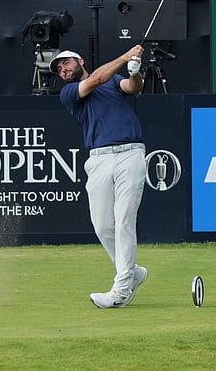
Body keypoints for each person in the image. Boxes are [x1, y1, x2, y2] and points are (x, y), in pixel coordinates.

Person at [51, 45, 149, 309]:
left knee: (124, 220)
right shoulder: (69, 92)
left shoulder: (113, 80)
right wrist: (124, 56)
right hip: (99, 158)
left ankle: (122, 289)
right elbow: (96, 79)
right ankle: (133, 272)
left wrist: (135, 70)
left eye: (66, 63)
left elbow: (133, 87)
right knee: (103, 226)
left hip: (131, 153)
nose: (63, 70)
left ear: (79, 60)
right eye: (59, 69)